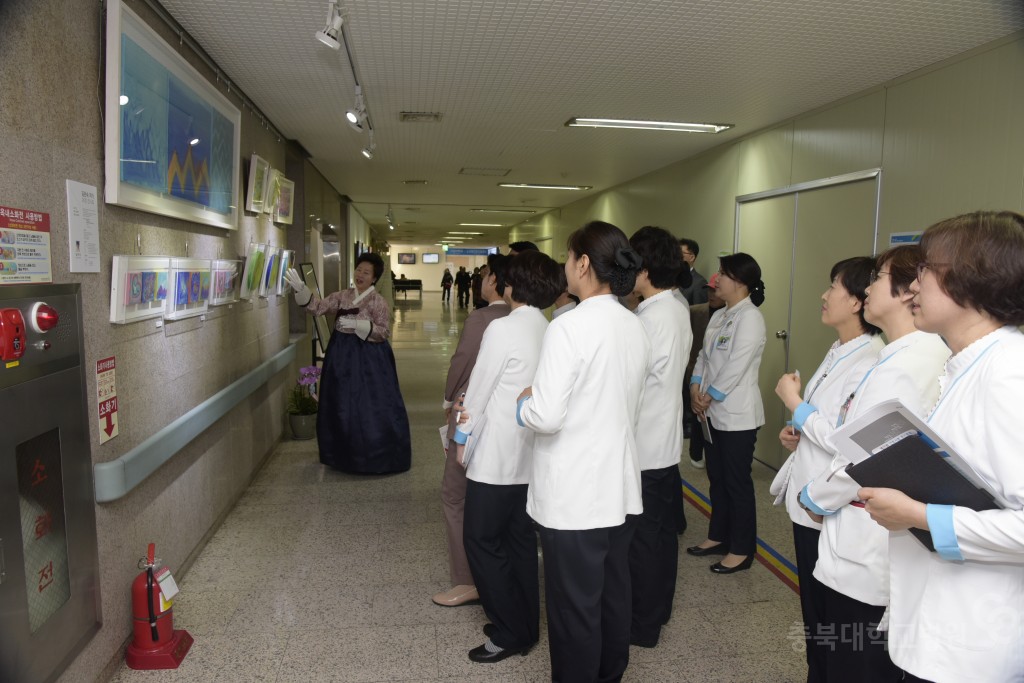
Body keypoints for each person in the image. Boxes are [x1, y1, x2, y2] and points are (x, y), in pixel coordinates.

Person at [857, 211, 1024, 683]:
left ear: (971, 277)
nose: (912, 288)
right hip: (941, 624)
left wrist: (919, 516)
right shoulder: (967, 365)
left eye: (924, 271)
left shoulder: (1010, 374)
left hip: (974, 646)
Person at [795, 245, 950, 682]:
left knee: (853, 658)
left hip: (866, 547)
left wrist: (815, 496)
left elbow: (866, 452)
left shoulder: (907, 364)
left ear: (908, 291)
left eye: (878, 276)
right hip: (859, 544)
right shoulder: (898, 355)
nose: (868, 286)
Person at [516, 221, 650, 683]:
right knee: (613, 596)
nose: (564, 267)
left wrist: (523, 405)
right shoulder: (633, 324)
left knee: (574, 608)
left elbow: (547, 415)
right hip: (618, 487)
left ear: (584, 264)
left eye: (568, 257)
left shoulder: (568, 326)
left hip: (574, 496)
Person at [769, 257, 884, 682]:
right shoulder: (840, 349)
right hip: (810, 497)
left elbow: (846, 438)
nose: (824, 295)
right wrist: (796, 429)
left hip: (828, 505)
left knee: (828, 623)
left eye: (833, 286)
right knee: (816, 618)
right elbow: (828, 422)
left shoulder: (871, 359)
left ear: (857, 300)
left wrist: (795, 404)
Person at [453, 251, 563, 663]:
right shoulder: (547, 326)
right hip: (529, 456)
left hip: (497, 457)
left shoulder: (503, 328)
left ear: (512, 286)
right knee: (518, 542)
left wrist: (460, 439)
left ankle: (510, 630)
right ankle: (525, 624)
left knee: (480, 540)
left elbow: (477, 392)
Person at [626, 226, 693, 648]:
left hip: (646, 444)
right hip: (661, 441)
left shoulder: (651, 318)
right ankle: (657, 610)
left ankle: (644, 623)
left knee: (647, 540)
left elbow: (631, 387)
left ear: (644, 269)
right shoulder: (671, 308)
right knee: (660, 534)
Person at [283, 254, 411, 474]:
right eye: (359, 269)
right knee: (341, 402)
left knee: (369, 405)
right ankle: (342, 454)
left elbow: (383, 332)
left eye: (366, 272)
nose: (360, 275)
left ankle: (373, 454)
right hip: (341, 357)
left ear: (374, 278)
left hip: (370, 361)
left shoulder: (378, 302)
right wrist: (301, 289)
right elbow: (318, 307)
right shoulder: (342, 295)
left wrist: (359, 325)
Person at [434, 256, 510, 607]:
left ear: (495, 280)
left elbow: (462, 362)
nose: (481, 279)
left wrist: (449, 399)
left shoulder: (482, 318)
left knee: (455, 495)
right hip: (510, 427)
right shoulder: (530, 320)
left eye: (484, 274)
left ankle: (465, 579)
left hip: (472, 417)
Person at [687, 252, 766, 573]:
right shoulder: (721, 314)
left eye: (723, 273)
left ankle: (742, 548)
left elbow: (737, 365)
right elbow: (705, 355)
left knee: (736, 483)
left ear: (742, 282)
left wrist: (708, 396)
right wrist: (694, 386)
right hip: (710, 412)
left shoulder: (750, 317)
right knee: (716, 479)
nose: (716, 279)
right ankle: (718, 536)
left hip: (736, 416)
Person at [685, 273, 726, 469]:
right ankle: (695, 453)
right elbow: (699, 350)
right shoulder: (695, 311)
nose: (711, 293)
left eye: (715, 289)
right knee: (696, 414)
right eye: (708, 289)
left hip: (718, 384)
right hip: (695, 371)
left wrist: (709, 394)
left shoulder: (736, 316)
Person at [675, 238, 707, 305]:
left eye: (680, 253)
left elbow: (699, 311)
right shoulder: (671, 277)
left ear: (692, 257)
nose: (676, 256)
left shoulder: (699, 282)